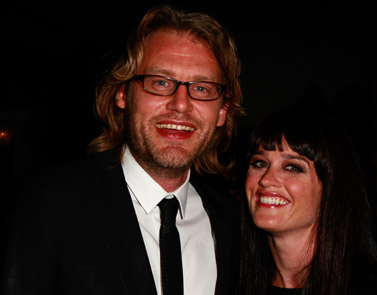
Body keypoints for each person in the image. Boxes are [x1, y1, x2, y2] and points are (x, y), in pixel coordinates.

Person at [1, 4, 244, 295]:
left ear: (222, 111)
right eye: (160, 82)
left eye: (202, 88)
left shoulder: (233, 221)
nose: (181, 104)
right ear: (123, 94)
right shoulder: (50, 201)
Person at [238, 107, 377, 295]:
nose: (266, 179)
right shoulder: (228, 282)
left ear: (331, 188)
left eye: (292, 167)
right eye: (260, 163)